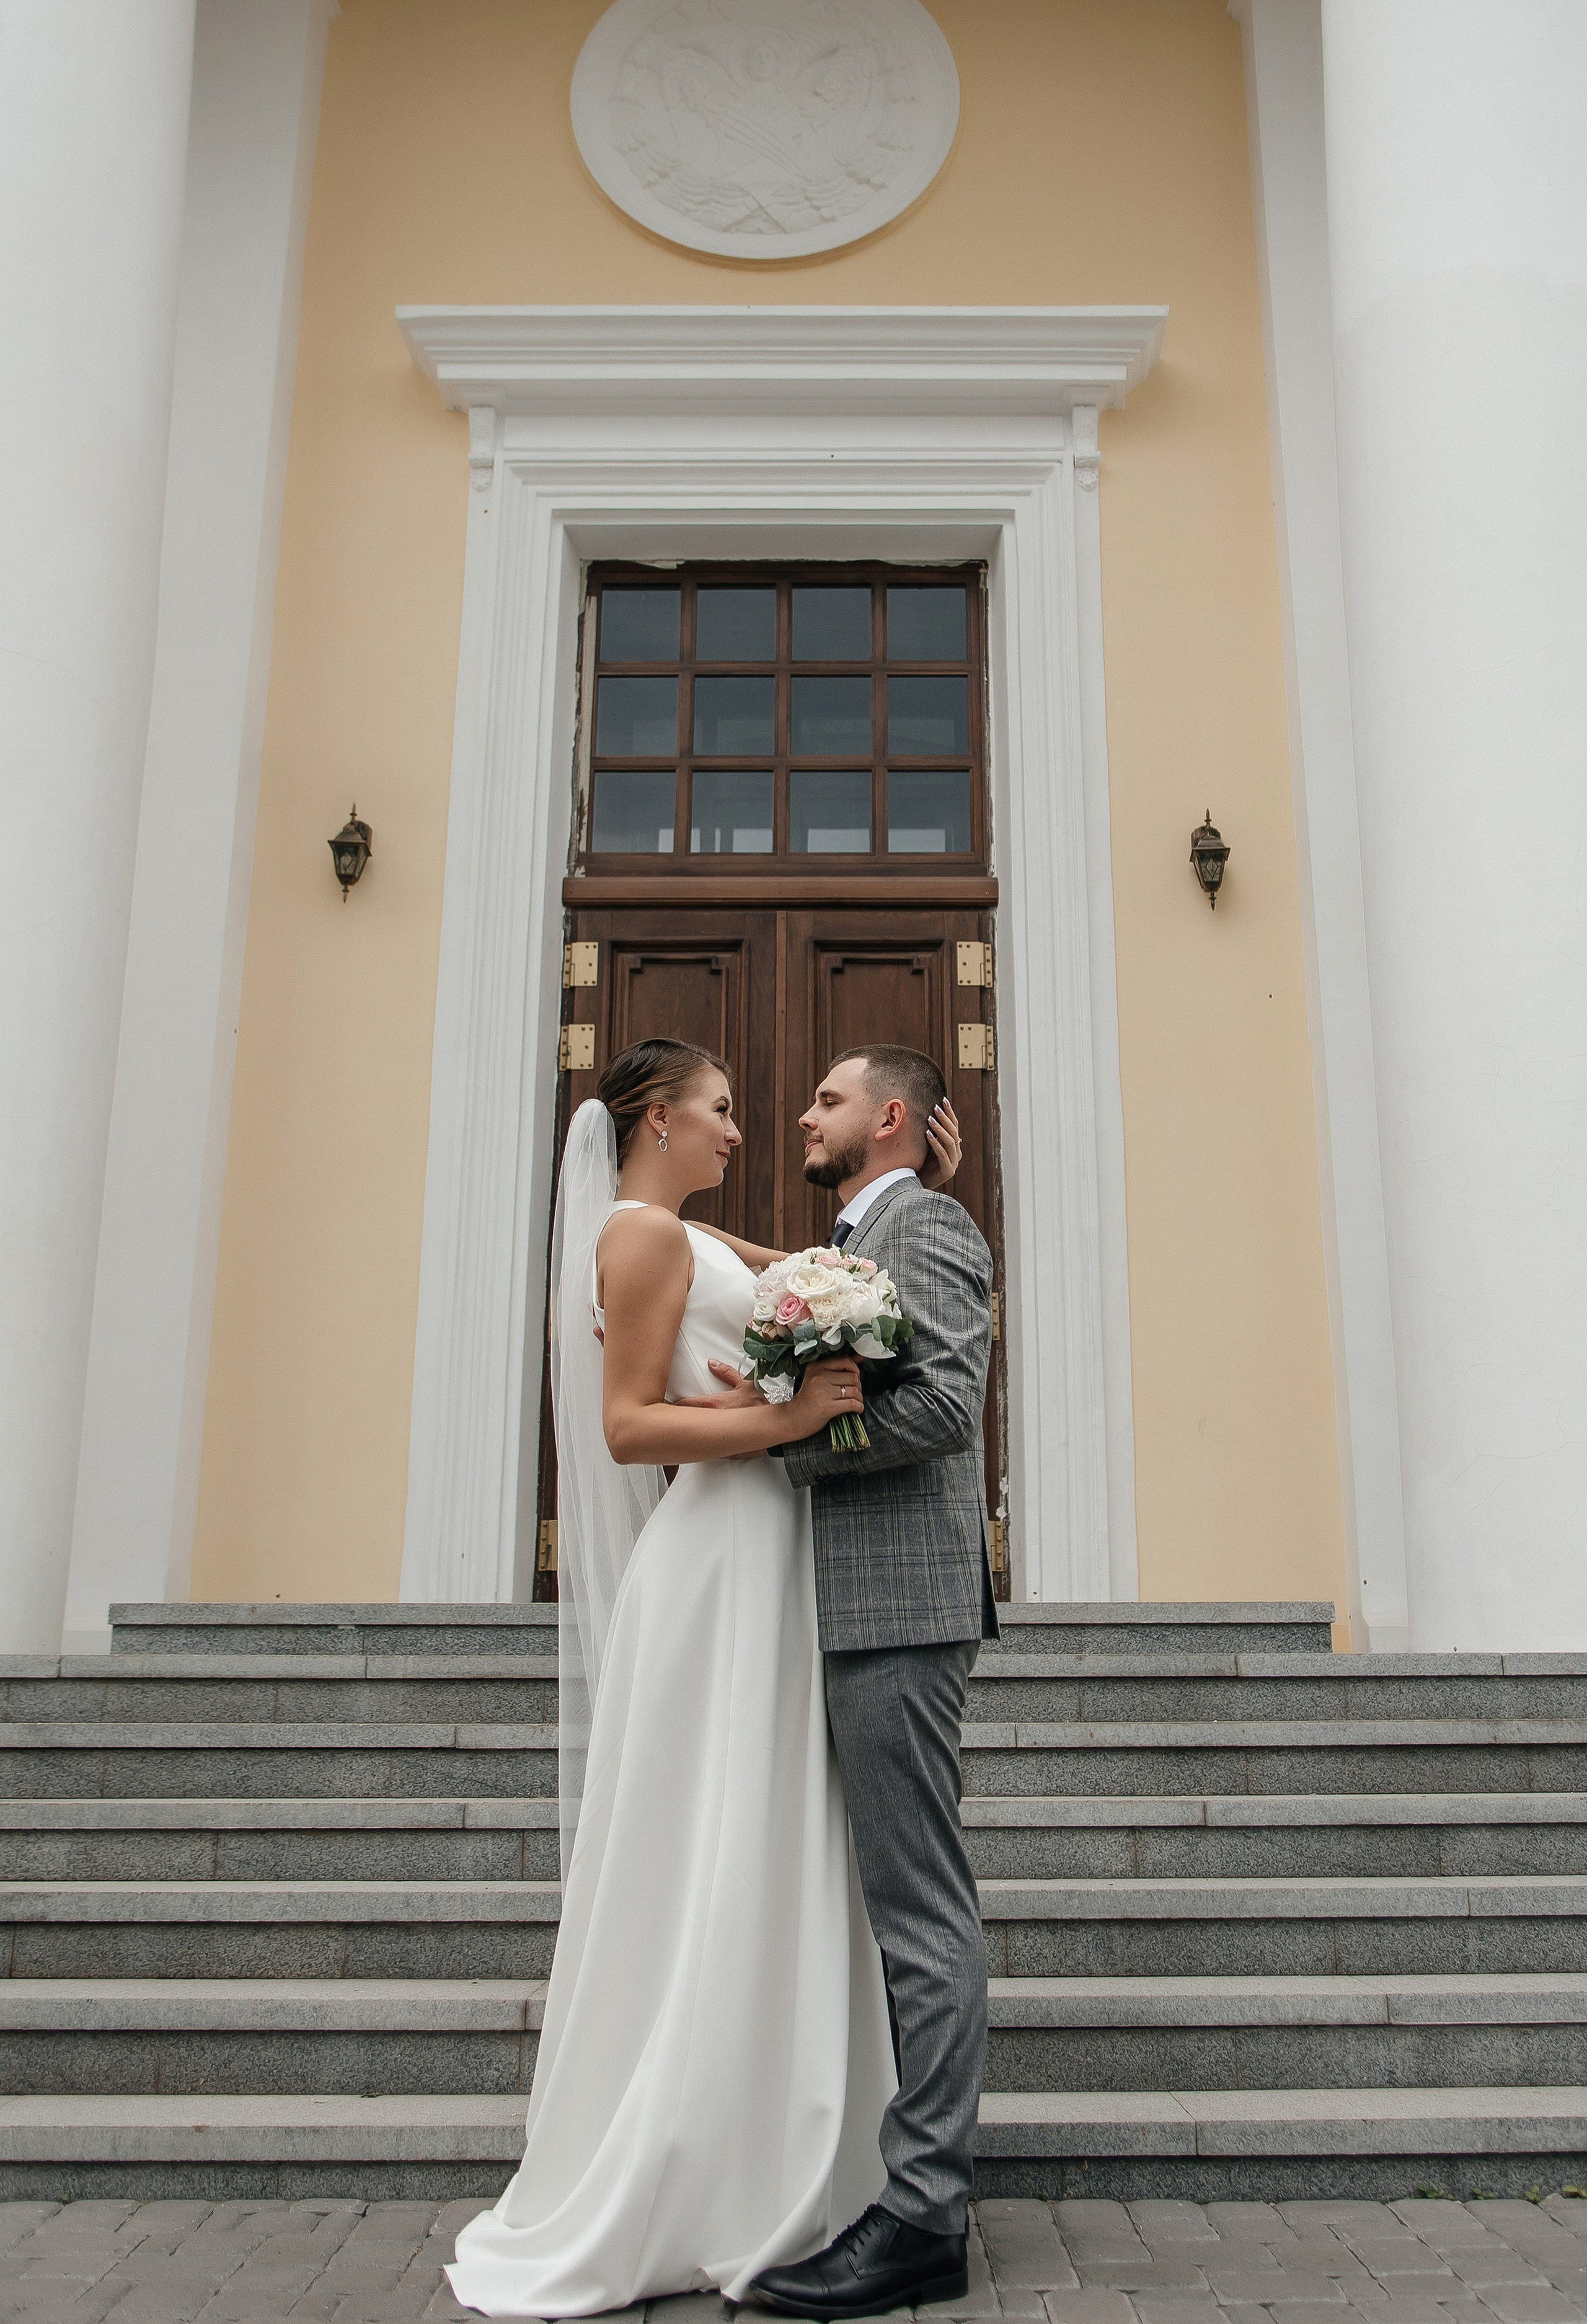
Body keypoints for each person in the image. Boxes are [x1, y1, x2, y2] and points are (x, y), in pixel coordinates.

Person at [446, 1037, 964, 2319]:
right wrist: (786, 1420)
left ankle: (777, 2148)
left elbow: (820, 1275)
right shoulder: (633, 1241)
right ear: (654, 1120)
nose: (744, 1128)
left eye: (758, 1107)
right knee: (715, 1841)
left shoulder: (688, 1236)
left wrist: (928, 1180)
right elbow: (628, 1428)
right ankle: (698, 2160)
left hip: (781, 1563)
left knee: (769, 1839)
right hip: (718, 1560)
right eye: (720, 1110)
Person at [688, 1047, 997, 2322]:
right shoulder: (870, 1225)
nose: (796, 1114)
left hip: (896, 1608)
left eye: (821, 1099)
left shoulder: (925, 1222)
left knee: (917, 1906)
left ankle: (922, 2210)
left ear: (882, 1117)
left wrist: (789, 1438)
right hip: (840, 1605)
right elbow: (834, 1314)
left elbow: (944, 1408)